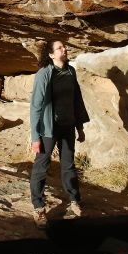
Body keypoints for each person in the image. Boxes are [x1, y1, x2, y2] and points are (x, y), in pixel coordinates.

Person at [29, 39, 90, 228]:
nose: (64, 49)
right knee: (42, 166)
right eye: (59, 48)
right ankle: (38, 208)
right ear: (51, 54)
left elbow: (77, 100)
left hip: (68, 126)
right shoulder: (44, 74)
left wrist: (79, 126)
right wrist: (35, 136)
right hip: (48, 129)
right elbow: (36, 106)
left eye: (64, 47)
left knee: (69, 165)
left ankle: (74, 201)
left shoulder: (70, 71)